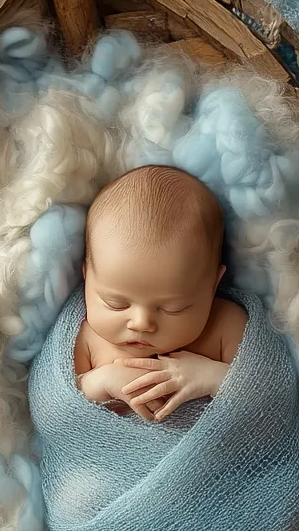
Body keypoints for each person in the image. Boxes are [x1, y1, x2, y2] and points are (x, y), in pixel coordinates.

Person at [74, 164, 247, 421]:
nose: (141, 323)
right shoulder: (87, 339)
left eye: (172, 308)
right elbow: (53, 408)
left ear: (213, 285)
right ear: (87, 276)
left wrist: (214, 378)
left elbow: (271, 398)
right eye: (116, 304)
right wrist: (98, 382)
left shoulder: (226, 326)